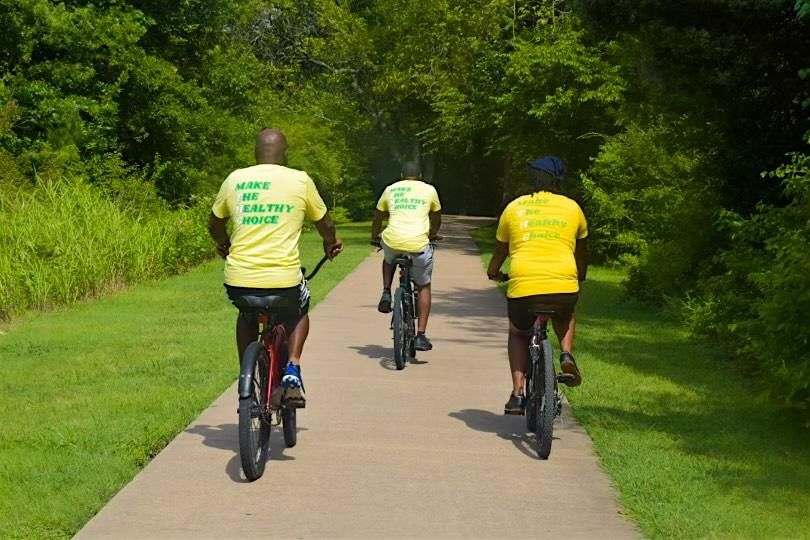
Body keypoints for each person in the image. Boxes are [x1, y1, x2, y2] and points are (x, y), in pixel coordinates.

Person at [208, 128, 343, 406]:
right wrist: (330, 242)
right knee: (299, 308)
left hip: (239, 278)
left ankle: (248, 372)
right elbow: (325, 223)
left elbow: (214, 224)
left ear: (255, 154)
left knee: (247, 314)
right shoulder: (299, 180)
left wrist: (224, 243)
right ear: (285, 154)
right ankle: (292, 366)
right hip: (284, 280)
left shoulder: (235, 179)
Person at [487, 156, 588, 415]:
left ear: (531, 180)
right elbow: (582, 253)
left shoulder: (514, 208)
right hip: (563, 284)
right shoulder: (572, 208)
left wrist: (494, 272)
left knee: (518, 333)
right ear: (557, 181)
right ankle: (565, 354)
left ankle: (518, 394)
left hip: (523, 285)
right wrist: (580, 277)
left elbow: (501, 251)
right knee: (566, 313)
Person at [371, 161, 442, 351]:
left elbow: (378, 217)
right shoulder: (429, 190)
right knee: (424, 285)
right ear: (419, 175)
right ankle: (421, 335)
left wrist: (374, 236)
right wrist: (432, 234)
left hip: (393, 239)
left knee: (388, 258)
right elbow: (437, 218)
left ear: (402, 174)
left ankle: (386, 291)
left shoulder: (391, 189)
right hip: (418, 243)